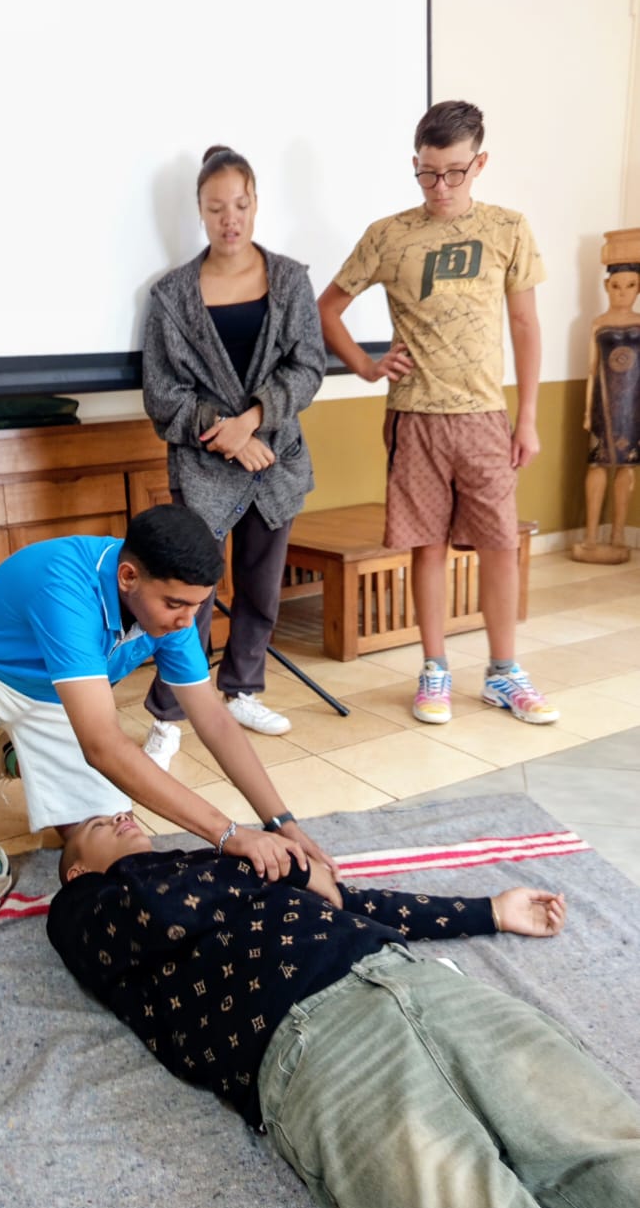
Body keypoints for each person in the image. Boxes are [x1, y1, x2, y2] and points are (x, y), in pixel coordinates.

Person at [48, 811, 640, 1208]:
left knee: (606, 1148)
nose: (123, 815)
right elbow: (166, 915)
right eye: (101, 825)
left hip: (421, 982)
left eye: (124, 809)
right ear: (77, 871)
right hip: (312, 1046)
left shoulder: (222, 863)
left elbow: (351, 902)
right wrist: (289, 872)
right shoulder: (83, 909)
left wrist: (490, 911)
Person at [0, 504, 334, 954]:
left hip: (62, 698)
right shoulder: (64, 583)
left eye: (196, 606)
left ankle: (15, 756)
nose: (185, 621)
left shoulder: (172, 607)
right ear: (128, 577)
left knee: (107, 856)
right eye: (175, 604)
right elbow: (102, 745)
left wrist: (281, 822)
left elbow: (212, 718)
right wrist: (228, 833)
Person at [318, 100, 559, 727]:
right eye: (427, 173)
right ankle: (434, 670)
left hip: (484, 416)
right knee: (425, 546)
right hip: (415, 418)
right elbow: (327, 309)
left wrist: (526, 416)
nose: (440, 187)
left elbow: (527, 325)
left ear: (479, 163)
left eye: (454, 172)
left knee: (499, 544)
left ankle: (504, 673)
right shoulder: (388, 234)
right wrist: (369, 367)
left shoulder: (508, 228)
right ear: (416, 166)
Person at [140, 145, 326, 769]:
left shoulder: (291, 281)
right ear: (199, 210)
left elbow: (307, 366)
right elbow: (161, 391)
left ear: (255, 204)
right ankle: (170, 715)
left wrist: (254, 422)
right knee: (185, 596)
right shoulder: (171, 297)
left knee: (261, 587)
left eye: (240, 205)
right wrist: (224, 431)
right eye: (216, 207)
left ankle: (242, 688)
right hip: (203, 465)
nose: (230, 219)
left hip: (275, 458)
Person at [571, 262, 640, 564]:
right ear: (606, 287)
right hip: (603, 403)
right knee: (597, 464)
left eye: (630, 286)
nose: (622, 293)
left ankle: (617, 535)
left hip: (634, 406)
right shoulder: (598, 322)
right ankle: (589, 536)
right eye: (616, 286)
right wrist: (587, 411)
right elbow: (590, 369)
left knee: (627, 467)